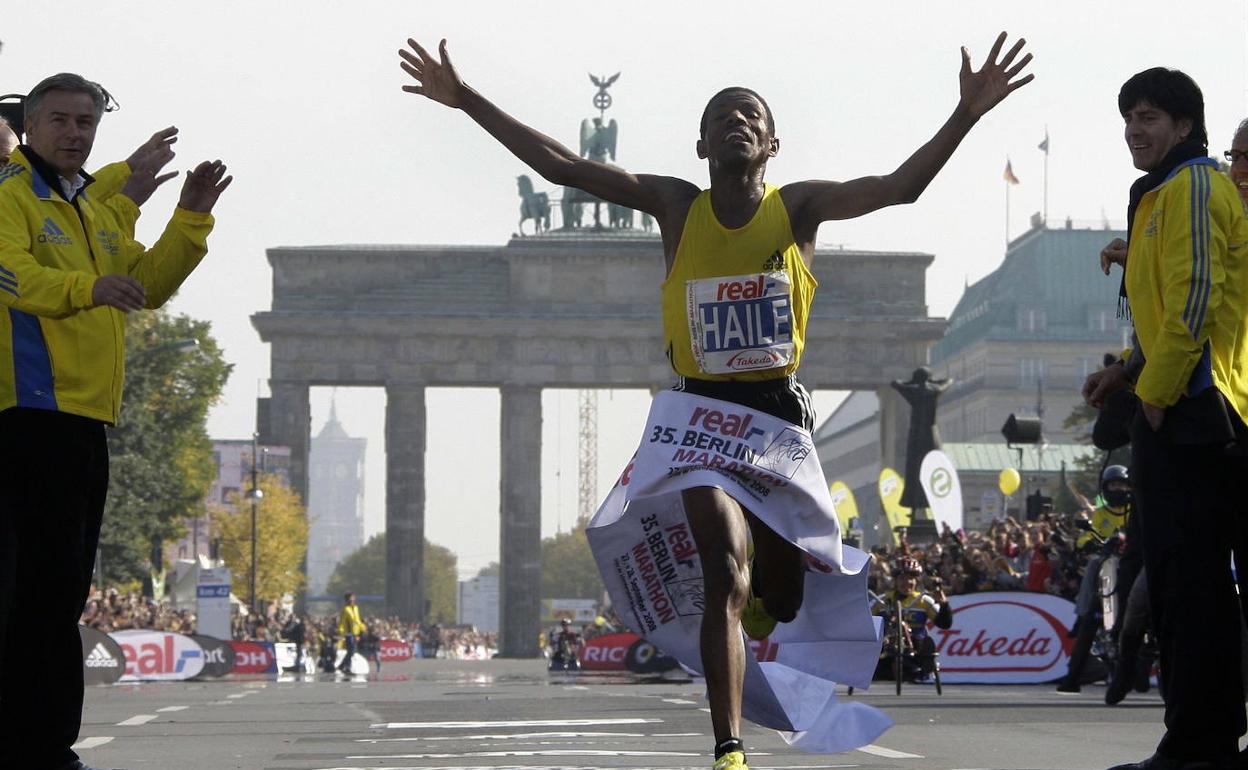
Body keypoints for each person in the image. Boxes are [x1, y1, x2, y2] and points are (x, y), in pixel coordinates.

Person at [399, 31, 1031, 769]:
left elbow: (899, 188)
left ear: (772, 144)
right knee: (723, 575)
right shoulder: (674, 204)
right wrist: (465, 97)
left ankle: (765, 596)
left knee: (783, 597)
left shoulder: (799, 211)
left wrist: (966, 114)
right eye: (722, 116)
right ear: (701, 145)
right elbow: (561, 165)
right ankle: (728, 746)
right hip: (698, 419)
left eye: (751, 116)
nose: (737, 122)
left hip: (775, 424)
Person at [0, 72, 231, 770]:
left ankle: (47, 743)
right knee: (27, 589)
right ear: (31, 125)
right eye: (62, 121)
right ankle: (25, 743)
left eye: (86, 124)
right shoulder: (10, 196)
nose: (75, 133)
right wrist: (86, 287)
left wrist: (189, 218)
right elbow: (10, 275)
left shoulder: (94, 213)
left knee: (61, 592)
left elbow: (150, 285)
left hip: (83, 421)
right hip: (25, 414)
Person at [1081, 69, 1248, 770]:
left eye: (1148, 117)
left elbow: (1197, 296)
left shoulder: (1194, 186)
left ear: (1184, 126)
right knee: (1183, 590)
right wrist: (1127, 365)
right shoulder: (1160, 195)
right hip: (1176, 402)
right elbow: (1163, 306)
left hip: (1199, 410)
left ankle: (1198, 745)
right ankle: (1195, 742)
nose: (1134, 132)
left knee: (1196, 590)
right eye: (1128, 120)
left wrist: (1156, 392)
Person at [1056, 465, 1132, 694]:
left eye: (1121, 484)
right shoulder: (1101, 513)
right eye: (1113, 485)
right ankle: (1082, 616)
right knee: (1093, 565)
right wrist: (1086, 542)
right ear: (1106, 488)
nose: (1117, 489)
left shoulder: (1136, 509)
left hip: (1133, 562)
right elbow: (1089, 534)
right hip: (1109, 565)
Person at [870, 557, 953, 682]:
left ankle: (913, 666)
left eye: (911, 578)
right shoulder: (881, 600)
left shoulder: (924, 600)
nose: (906, 582)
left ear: (916, 581)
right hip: (886, 647)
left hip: (916, 649)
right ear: (895, 580)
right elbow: (863, 623)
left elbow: (945, 624)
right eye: (902, 578)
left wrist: (944, 604)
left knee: (924, 640)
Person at [337, 592, 365, 673]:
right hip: (349, 633)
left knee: (352, 651)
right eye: (351, 598)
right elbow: (342, 621)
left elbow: (358, 620)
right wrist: (341, 631)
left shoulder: (356, 608)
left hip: (356, 633)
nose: (352, 600)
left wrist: (363, 628)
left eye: (353, 598)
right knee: (351, 650)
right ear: (347, 600)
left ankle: (345, 666)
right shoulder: (345, 609)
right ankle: (344, 666)